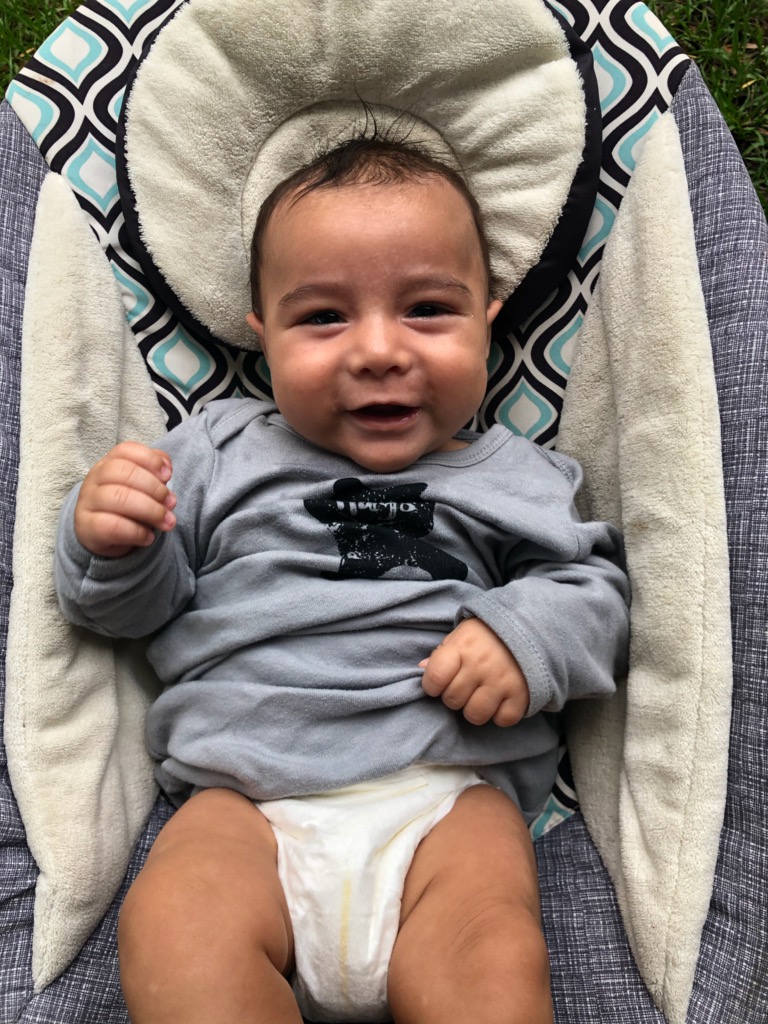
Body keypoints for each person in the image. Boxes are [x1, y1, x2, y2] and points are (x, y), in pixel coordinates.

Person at [54, 132, 630, 1024]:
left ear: (490, 318)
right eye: (322, 318)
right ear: (264, 337)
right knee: (173, 924)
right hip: (242, 802)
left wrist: (527, 635)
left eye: (429, 310)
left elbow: (597, 593)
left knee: (491, 950)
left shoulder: (518, 477)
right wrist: (116, 540)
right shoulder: (217, 452)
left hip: (445, 801)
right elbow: (136, 615)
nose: (376, 351)